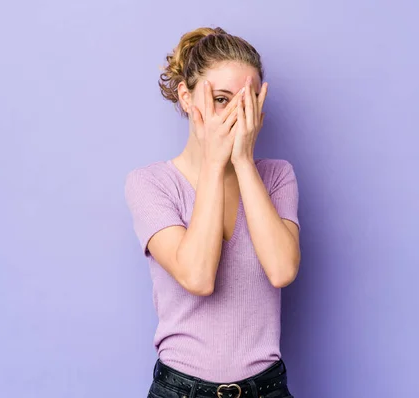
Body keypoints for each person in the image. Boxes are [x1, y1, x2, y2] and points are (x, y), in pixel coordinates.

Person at [125, 26, 300, 398]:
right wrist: (214, 165)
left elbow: (282, 270)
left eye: (248, 101)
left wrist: (243, 162)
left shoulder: (276, 176)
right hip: (182, 390)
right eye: (222, 99)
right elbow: (198, 276)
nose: (236, 115)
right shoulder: (151, 183)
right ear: (186, 98)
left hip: (266, 389)